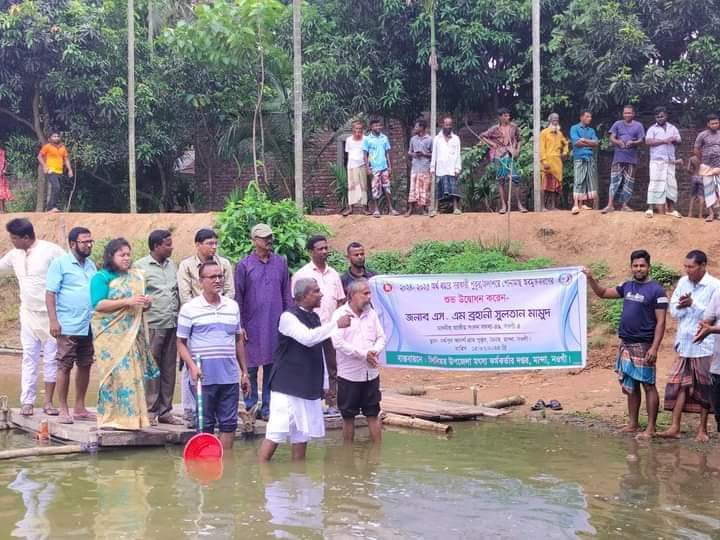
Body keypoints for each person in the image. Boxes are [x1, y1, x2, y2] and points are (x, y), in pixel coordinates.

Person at [258, 278, 352, 462]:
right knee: (276, 432)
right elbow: (307, 338)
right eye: (316, 291)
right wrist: (335, 325)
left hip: (307, 385)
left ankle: (299, 478)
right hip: (286, 386)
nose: (321, 294)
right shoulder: (288, 317)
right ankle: (262, 475)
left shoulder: (315, 317)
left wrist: (324, 384)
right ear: (303, 296)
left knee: (301, 435)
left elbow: (319, 352)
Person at [583, 250, 667, 439]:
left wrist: (654, 348)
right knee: (632, 384)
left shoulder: (657, 290)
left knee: (649, 385)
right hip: (626, 344)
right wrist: (590, 278)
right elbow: (603, 293)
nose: (638, 269)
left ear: (648, 267)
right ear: (631, 267)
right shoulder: (627, 286)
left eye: (642, 265)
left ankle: (651, 428)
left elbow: (661, 322)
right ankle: (633, 424)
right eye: (635, 265)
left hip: (644, 345)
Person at [177, 261, 250, 449]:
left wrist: (244, 372)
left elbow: (238, 340)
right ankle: (205, 466)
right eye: (212, 277)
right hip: (203, 377)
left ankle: (225, 464)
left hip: (229, 376)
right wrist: (192, 366)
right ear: (201, 281)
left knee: (229, 424)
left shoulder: (232, 306)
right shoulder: (190, 309)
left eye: (220, 276)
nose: (217, 280)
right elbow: (180, 343)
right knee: (205, 424)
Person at [90, 238, 159, 430]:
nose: (126, 258)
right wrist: (127, 302)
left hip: (132, 335)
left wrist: (146, 303)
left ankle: (134, 419)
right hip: (110, 336)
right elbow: (98, 304)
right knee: (114, 375)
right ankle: (111, 418)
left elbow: (138, 309)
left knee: (133, 374)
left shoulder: (136, 276)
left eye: (128, 254)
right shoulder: (101, 277)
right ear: (111, 256)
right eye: (122, 255)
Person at [0, 219, 65, 416]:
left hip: (52, 315)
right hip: (28, 314)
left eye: (14, 238)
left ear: (26, 237)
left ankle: (48, 403)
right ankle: (27, 401)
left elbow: (68, 270)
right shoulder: (14, 255)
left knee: (52, 358)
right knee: (29, 356)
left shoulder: (51, 251)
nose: (11, 241)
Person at [658, 250, 720, 442]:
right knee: (679, 385)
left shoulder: (715, 286)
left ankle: (703, 430)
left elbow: (710, 317)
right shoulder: (684, 282)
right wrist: (682, 306)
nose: (687, 270)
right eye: (685, 266)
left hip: (705, 343)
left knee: (704, 386)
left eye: (691, 267)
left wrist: (693, 304)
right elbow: (673, 310)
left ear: (702, 266)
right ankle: (674, 426)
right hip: (684, 341)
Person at [177, 228, 234, 428]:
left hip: (222, 315)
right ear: (198, 245)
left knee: (222, 362)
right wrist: (200, 310)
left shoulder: (224, 264)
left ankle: (216, 411)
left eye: (215, 243)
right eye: (209, 243)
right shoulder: (186, 265)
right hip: (194, 319)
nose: (213, 247)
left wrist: (218, 307)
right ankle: (190, 410)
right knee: (190, 364)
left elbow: (229, 291)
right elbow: (184, 295)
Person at [235, 223, 292, 421]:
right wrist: (240, 325)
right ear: (254, 241)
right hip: (252, 325)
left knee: (272, 367)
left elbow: (287, 294)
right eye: (264, 238)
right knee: (249, 367)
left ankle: (267, 408)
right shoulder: (244, 265)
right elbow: (238, 298)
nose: (269, 241)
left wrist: (288, 322)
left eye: (270, 237)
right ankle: (250, 408)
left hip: (276, 324)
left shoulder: (281, 262)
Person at [46, 227, 97, 424]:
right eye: (85, 241)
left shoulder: (91, 265)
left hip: (88, 323)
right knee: (65, 365)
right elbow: (50, 293)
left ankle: (80, 407)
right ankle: (63, 409)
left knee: (85, 364)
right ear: (73, 244)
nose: (89, 244)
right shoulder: (59, 264)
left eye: (90, 241)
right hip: (67, 324)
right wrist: (53, 320)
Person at [293, 235, 346, 413]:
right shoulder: (302, 275)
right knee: (311, 365)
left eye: (326, 248)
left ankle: (333, 403)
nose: (324, 252)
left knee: (333, 366)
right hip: (310, 329)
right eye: (320, 249)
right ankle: (313, 402)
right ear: (310, 251)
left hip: (331, 328)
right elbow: (297, 304)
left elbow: (340, 301)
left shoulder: (334, 275)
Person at [135, 230, 182, 425]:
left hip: (172, 323)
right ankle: (150, 410)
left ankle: (165, 411)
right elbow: (136, 294)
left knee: (169, 368)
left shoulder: (172, 265)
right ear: (156, 246)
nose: (171, 247)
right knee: (152, 369)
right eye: (168, 244)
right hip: (152, 324)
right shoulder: (140, 266)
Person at [331, 279, 385, 443]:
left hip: (371, 373)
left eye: (369, 293)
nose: (369, 297)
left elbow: (381, 337)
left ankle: (377, 456)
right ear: (352, 295)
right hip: (349, 376)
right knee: (348, 416)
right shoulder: (340, 315)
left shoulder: (372, 313)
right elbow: (337, 343)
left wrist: (374, 351)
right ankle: (347, 456)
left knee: (373, 414)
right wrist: (364, 354)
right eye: (365, 293)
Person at [479, 108, 526, 214]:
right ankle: (504, 206)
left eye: (508, 115)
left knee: (515, 179)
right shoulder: (494, 129)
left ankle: (519, 205)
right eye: (505, 116)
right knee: (501, 180)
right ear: (500, 117)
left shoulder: (514, 127)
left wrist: (517, 150)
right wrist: (491, 144)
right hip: (500, 156)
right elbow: (482, 136)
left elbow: (519, 140)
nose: (507, 117)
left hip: (511, 155)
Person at [602, 105, 645, 214]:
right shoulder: (617, 124)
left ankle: (624, 205)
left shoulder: (638, 125)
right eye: (625, 113)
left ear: (633, 114)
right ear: (623, 114)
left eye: (629, 113)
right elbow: (611, 137)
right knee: (614, 181)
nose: (627, 115)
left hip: (631, 158)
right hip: (618, 157)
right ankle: (610, 205)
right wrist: (618, 142)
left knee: (628, 182)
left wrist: (633, 143)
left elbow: (641, 140)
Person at [645, 107, 682, 219]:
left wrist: (673, 139)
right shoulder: (652, 129)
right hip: (657, 161)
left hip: (670, 161)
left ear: (666, 115)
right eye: (657, 117)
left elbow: (679, 140)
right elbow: (648, 141)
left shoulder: (673, 128)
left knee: (671, 184)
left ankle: (671, 209)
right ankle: (650, 208)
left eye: (662, 116)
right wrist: (663, 141)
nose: (660, 118)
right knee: (654, 183)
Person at [694, 289, 720, 433]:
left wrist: (712, 329)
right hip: (718, 365)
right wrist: (704, 328)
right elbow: (707, 319)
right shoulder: (718, 293)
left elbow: (711, 328)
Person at [363, 118, 399, 217]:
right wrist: (367, 168)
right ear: (371, 127)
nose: (378, 127)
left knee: (387, 188)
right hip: (374, 168)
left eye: (379, 125)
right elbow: (365, 155)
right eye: (375, 126)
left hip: (384, 168)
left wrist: (390, 167)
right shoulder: (367, 139)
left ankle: (391, 209)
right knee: (375, 189)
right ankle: (376, 210)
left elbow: (388, 153)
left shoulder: (384, 138)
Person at [430, 115, 463, 215]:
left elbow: (458, 154)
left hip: (452, 168)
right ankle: (435, 209)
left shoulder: (456, 139)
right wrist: (432, 167)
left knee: (453, 190)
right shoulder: (437, 139)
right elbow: (434, 154)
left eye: (450, 125)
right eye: (446, 124)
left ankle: (456, 208)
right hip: (440, 168)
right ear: (442, 125)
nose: (448, 126)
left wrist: (457, 168)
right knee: (438, 189)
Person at [569, 110, 599, 214]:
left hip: (589, 157)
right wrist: (589, 142)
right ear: (581, 117)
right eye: (587, 117)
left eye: (590, 117)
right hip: (579, 157)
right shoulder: (574, 128)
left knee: (587, 180)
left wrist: (584, 140)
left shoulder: (591, 130)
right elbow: (576, 143)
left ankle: (582, 204)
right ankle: (576, 204)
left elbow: (596, 143)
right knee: (578, 179)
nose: (589, 119)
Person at [539, 113, 569, 211]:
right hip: (547, 161)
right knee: (545, 184)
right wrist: (544, 161)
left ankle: (552, 206)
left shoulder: (560, 133)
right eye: (554, 120)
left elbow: (566, 143)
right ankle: (542, 206)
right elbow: (541, 148)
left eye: (557, 120)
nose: (555, 121)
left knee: (555, 185)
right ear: (549, 121)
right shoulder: (544, 132)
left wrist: (565, 152)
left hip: (557, 162)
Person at [37, 132, 73, 213]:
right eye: (54, 136)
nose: (56, 138)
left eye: (57, 136)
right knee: (56, 187)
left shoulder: (62, 147)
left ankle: (51, 207)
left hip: (59, 171)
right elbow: (39, 157)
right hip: (51, 170)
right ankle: (51, 207)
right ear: (50, 138)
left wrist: (70, 169)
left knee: (57, 189)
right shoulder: (47, 147)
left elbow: (66, 159)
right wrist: (45, 166)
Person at [694, 114, 720, 222]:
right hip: (706, 165)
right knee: (708, 190)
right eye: (713, 123)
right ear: (708, 124)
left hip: (719, 165)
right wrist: (701, 161)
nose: (715, 125)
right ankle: (711, 214)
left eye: (717, 123)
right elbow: (696, 149)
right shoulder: (702, 135)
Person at [406, 119, 433, 216]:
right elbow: (409, 152)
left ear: (422, 128)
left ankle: (423, 210)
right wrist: (414, 154)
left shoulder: (429, 139)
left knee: (424, 190)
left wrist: (424, 154)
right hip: (415, 167)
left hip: (425, 167)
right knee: (412, 189)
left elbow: (433, 154)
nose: (415, 129)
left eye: (416, 127)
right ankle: (410, 209)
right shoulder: (413, 139)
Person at [343, 120, 369, 216]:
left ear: (363, 130)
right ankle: (350, 208)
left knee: (363, 186)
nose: (358, 130)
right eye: (356, 128)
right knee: (351, 186)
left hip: (362, 165)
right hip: (351, 165)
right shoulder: (349, 140)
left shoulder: (366, 139)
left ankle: (364, 208)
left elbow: (368, 153)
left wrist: (368, 165)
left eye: (360, 129)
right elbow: (348, 153)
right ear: (353, 129)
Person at [686, 155, 704, 219]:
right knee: (701, 196)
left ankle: (690, 214)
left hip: (694, 177)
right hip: (701, 177)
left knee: (692, 196)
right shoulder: (703, 158)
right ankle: (700, 215)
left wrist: (692, 173)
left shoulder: (692, 158)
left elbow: (688, 169)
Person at [0, 146, 13, 213]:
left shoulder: (3, 152)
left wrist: (4, 170)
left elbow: (6, 162)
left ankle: (2, 210)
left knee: (2, 192)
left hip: (1, 175)